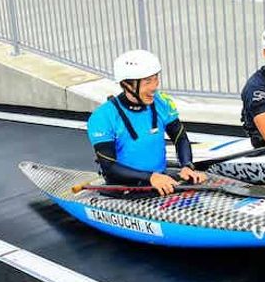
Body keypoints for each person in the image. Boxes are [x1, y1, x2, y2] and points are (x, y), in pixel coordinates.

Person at [87, 50, 206, 195]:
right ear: (126, 84)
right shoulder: (103, 116)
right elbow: (109, 166)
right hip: (124, 189)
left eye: (156, 78)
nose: (154, 87)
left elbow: (180, 138)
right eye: (147, 82)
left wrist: (187, 166)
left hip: (160, 182)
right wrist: (150, 177)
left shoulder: (162, 102)